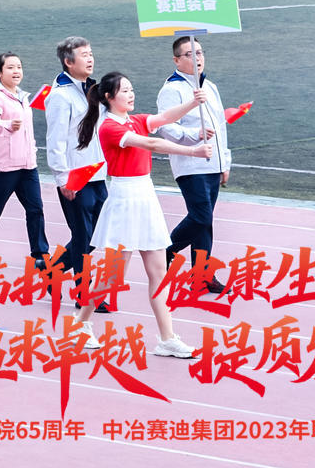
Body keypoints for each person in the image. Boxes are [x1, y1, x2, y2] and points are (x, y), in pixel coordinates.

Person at [68, 71, 212, 358]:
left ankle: (167, 338)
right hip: (125, 199)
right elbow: (152, 144)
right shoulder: (109, 127)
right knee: (113, 276)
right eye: (124, 91)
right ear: (109, 97)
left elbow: (165, 117)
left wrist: (192, 103)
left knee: (159, 271)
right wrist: (193, 152)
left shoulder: (136, 120)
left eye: (131, 89)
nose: (131, 94)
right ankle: (81, 323)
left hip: (146, 197)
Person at [157, 36, 232, 295]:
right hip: (191, 163)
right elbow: (165, 127)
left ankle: (201, 276)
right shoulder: (172, 90)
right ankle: (167, 251)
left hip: (213, 162)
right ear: (177, 60)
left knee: (205, 222)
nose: (197, 58)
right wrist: (194, 135)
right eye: (190, 54)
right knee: (201, 216)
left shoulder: (209, 86)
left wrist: (225, 161)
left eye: (199, 52)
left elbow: (220, 126)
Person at [0, 52, 49, 269]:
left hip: (27, 165)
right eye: (10, 67)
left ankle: (40, 254)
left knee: (35, 208)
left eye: (19, 67)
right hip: (4, 165)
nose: (16, 71)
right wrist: (7, 124)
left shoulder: (22, 96)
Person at [45, 36, 107, 286]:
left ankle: (52, 272)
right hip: (76, 176)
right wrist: (63, 178)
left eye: (91, 54)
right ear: (69, 62)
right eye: (84, 55)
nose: (90, 59)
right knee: (82, 236)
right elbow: (55, 140)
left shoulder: (93, 90)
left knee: (96, 233)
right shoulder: (60, 95)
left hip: (98, 172)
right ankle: (84, 293)